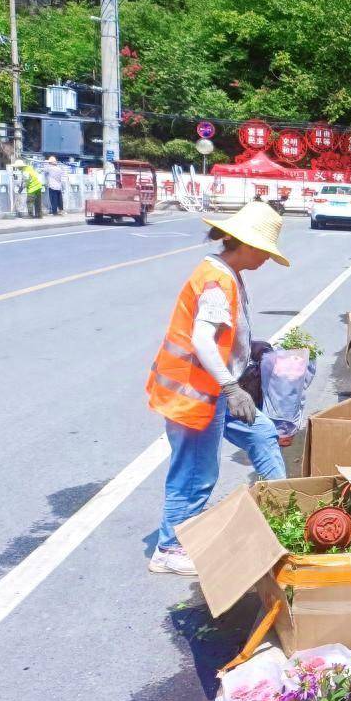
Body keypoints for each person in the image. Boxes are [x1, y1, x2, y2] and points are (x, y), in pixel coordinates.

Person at [146, 201, 291, 575]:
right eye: (265, 252)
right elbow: (202, 340)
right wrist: (231, 387)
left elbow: (225, 334)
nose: (266, 261)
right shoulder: (216, 280)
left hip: (218, 392)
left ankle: (285, 513)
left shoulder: (228, 273)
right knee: (195, 473)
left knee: (262, 434)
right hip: (196, 396)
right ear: (247, 244)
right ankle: (170, 548)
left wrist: (249, 348)